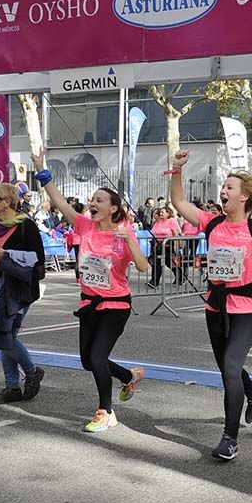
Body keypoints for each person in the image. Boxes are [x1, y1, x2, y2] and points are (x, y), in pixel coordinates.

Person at [169, 150, 252, 460]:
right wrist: (176, 170)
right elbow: (178, 203)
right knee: (227, 367)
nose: (223, 191)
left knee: (230, 366)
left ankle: (230, 438)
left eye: (230, 187)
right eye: (223, 187)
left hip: (249, 308)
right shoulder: (211, 223)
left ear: (244, 197)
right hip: (216, 305)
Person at [31, 151, 150, 433]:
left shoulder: (124, 232)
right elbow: (59, 202)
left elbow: (144, 268)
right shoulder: (84, 225)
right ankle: (128, 375)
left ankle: (106, 412)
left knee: (97, 357)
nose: (93, 204)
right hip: (89, 303)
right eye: (92, 200)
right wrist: (42, 171)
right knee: (88, 361)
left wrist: (130, 242)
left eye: (99, 200)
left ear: (113, 208)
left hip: (116, 304)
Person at [0, 183, 47, 406]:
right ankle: (13, 387)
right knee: (5, 336)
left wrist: (8, 254)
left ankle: (31, 372)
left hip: (17, 290)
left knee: (4, 335)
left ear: (7, 202)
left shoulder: (26, 225)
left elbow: (38, 259)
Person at [146, 206, 184, 289]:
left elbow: (176, 233)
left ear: (168, 213)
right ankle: (154, 281)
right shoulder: (157, 222)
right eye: (160, 212)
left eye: (163, 212)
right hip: (158, 246)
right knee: (156, 263)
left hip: (168, 245)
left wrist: (175, 246)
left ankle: (180, 277)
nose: (161, 213)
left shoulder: (172, 221)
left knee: (170, 263)